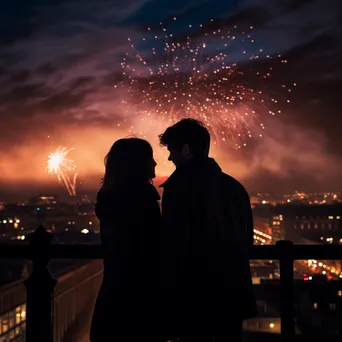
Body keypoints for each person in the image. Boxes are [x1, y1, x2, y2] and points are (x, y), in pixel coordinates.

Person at [159, 119, 257, 342]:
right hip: (232, 291)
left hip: (194, 294)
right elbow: (246, 241)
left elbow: (174, 244)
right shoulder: (234, 187)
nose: (169, 158)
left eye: (171, 150)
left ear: (185, 149)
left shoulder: (179, 188)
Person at [90, 138, 161, 342]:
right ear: (137, 163)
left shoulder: (110, 197)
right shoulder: (142, 198)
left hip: (116, 290)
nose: (155, 164)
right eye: (150, 159)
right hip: (141, 293)